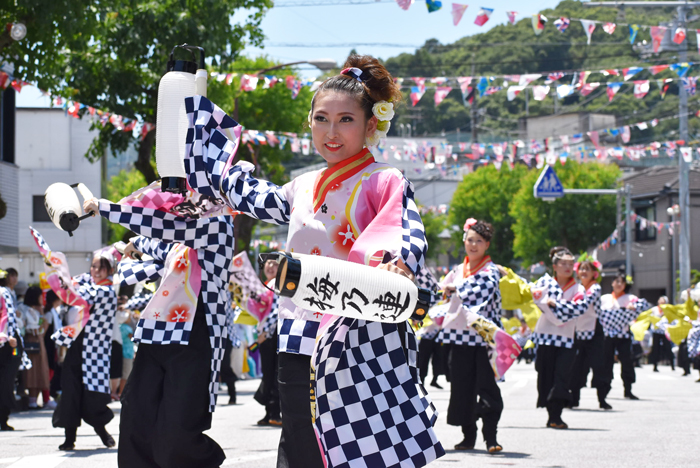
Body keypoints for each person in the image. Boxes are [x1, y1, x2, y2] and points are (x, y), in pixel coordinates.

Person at [183, 54, 444, 467]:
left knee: (361, 443)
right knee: (301, 442)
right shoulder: (303, 186)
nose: (331, 132)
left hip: (355, 335)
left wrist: (399, 263)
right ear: (309, 123)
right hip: (298, 331)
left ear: (370, 124)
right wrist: (217, 165)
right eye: (322, 118)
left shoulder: (383, 179)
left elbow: (405, 228)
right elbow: (254, 197)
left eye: (345, 120)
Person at [84, 184, 234, 468]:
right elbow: (160, 241)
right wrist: (135, 243)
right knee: (135, 418)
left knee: (176, 433)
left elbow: (170, 230)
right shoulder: (176, 243)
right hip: (156, 334)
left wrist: (107, 208)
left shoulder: (219, 227)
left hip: (195, 336)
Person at [437, 219, 504, 453]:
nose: (473, 244)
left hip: (484, 341)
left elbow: (480, 291)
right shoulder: (456, 271)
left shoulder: (491, 271)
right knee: (461, 390)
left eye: (479, 241)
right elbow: (440, 294)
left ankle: (491, 437)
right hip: (458, 339)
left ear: (487, 245)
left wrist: (455, 289)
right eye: (470, 240)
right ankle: (468, 436)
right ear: (464, 242)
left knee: (487, 389)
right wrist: (442, 292)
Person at [45, 251, 118, 450]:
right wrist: (55, 265)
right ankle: (70, 438)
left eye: (101, 267)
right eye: (93, 266)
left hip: (95, 352)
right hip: (78, 346)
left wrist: (61, 276)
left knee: (92, 396)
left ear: (110, 270)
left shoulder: (107, 291)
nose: (95, 271)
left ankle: (102, 431)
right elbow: (75, 281)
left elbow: (77, 293)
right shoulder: (91, 283)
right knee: (70, 391)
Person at [532, 247, 593, 429]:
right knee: (545, 375)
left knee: (562, 376)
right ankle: (551, 413)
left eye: (570, 264)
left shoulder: (578, 288)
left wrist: (555, 304)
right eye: (563, 264)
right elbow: (536, 298)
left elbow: (580, 308)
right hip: (545, 336)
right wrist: (547, 303)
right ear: (554, 266)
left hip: (566, 338)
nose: (567, 267)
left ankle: (556, 415)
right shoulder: (544, 282)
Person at [597, 272, 650, 401]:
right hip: (608, 335)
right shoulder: (605, 298)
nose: (619, 284)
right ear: (612, 283)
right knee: (606, 362)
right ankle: (604, 389)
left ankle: (628, 389)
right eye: (617, 281)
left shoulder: (630, 298)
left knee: (626, 361)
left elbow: (644, 305)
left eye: (622, 282)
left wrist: (633, 306)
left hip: (623, 335)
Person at [567, 255, 605, 409]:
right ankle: (574, 398)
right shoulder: (575, 287)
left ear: (594, 273)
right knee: (575, 367)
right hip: (577, 331)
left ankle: (602, 399)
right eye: (581, 268)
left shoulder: (595, 287)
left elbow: (585, 302)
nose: (583, 271)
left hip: (594, 331)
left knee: (599, 366)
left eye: (587, 269)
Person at [254, 259, 282, 426]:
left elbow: (277, 311)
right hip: (265, 335)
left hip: (273, 334)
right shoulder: (265, 285)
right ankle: (269, 412)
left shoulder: (278, 284)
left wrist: (265, 331)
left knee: (274, 374)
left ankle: (274, 412)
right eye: (268, 263)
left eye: (275, 263)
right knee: (268, 374)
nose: (271, 266)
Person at [19, 287, 51, 410]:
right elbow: (28, 326)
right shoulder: (24, 309)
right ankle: (32, 400)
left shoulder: (38, 310)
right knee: (33, 370)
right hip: (31, 341)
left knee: (41, 370)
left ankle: (34, 400)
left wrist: (41, 314)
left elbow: (42, 329)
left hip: (39, 340)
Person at [0, 270, 23, 431]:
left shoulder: (5, 293)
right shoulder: (4, 293)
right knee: (6, 383)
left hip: (8, 343)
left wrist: (8, 335)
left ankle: (3, 418)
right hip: (7, 342)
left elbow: (8, 317)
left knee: (6, 382)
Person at [43, 291, 63, 404]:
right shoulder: (49, 313)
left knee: (53, 370)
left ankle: (52, 394)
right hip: (48, 346)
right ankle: (47, 397)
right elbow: (45, 332)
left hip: (54, 345)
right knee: (49, 370)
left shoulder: (55, 312)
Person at [649, 296, 675, 372]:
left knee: (667, 347)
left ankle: (672, 364)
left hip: (665, 331)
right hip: (656, 331)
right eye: (660, 300)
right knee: (655, 348)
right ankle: (655, 365)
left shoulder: (668, 309)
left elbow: (672, 319)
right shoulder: (654, 309)